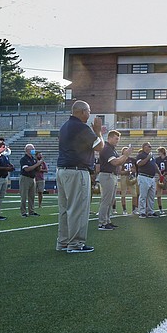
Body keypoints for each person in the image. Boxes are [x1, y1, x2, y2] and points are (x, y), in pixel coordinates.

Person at [56, 101, 104, 253]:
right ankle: (75, 244)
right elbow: (99, 146)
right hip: (77, 171)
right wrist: (98, 131)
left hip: (63, 170)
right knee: (78, 209)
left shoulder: (65, 126)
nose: (89, 114)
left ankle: (63, 242)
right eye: (89, 111)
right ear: (83, 111)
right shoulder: (81, 127)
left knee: (64, 209)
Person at [97, 130, 131, 230]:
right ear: (110, 138)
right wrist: (126, 155)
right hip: (107, 175)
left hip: (112, 175)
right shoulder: (107, 148)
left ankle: (107, 220)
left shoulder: (111, 149)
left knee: (110, 200)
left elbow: (118, 162)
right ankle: (102, 222)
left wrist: (125, 156)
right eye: (116, 139)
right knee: (106, 200)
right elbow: (115, 162)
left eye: (118, 139)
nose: (117, 141)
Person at [135, 142, 161, 218]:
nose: (150, 148)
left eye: (150, 146)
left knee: (151, 196)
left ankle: (150, 211)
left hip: (152, 177)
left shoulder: (151, 156)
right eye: (148, 146)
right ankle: (142, 212)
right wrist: (147, 158)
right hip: (144, 176)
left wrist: (160, 174)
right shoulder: (141, 155)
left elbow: (155, 165)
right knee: (143, 195)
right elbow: (139, 164)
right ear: (144, 147)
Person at [19, 144, 42, 217]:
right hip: (25, 178)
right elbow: (27, 169)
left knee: (32, 196)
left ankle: (31, 211)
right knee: (24, 196)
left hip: (32, 178)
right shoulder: (24, 159)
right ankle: (23, 212)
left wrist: (39, 164)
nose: (33, 150)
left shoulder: (33, 159)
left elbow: (37, 169)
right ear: (27, 150)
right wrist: (36, 164)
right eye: (32, 149)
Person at [118, 147, 137, 216]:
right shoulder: (121, 160)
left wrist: (132, 170)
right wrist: (127, 172)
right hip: (124, 177)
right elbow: (119, 171)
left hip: (131, 177)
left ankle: (134, 209)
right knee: (123, 194)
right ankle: (124, 210)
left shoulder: (132, 160)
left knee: (134, 194)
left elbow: (135, 169)